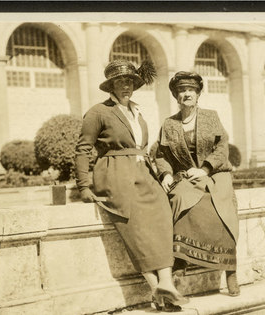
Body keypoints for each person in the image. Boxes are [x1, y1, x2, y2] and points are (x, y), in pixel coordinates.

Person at [75, 59, 189, 310]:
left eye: (129, 81)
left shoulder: (137, 111)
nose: (125, 85)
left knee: (162, 214)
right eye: (119, 81)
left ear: (134, 84)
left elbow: (145, 148)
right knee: (134, 227)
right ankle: (155, 287)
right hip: (116, 174)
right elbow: (83, 149)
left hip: (143, 172)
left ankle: (166, 284)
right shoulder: (98, 112)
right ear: (110, 86)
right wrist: (84, 186)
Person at [155, 71, 241, 296]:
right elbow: (161, 154)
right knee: (179, 199)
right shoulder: (169, 124)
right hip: (186, 176)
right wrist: (165, 174)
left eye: (191, 90)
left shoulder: (211, 116)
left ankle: (230, 270)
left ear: (198, 94)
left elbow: (222, 148)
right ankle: (181, 260)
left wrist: (205, 168)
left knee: (222, 206)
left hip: (214, 174)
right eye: (182, 91)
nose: (187, 94)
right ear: (176, 95)